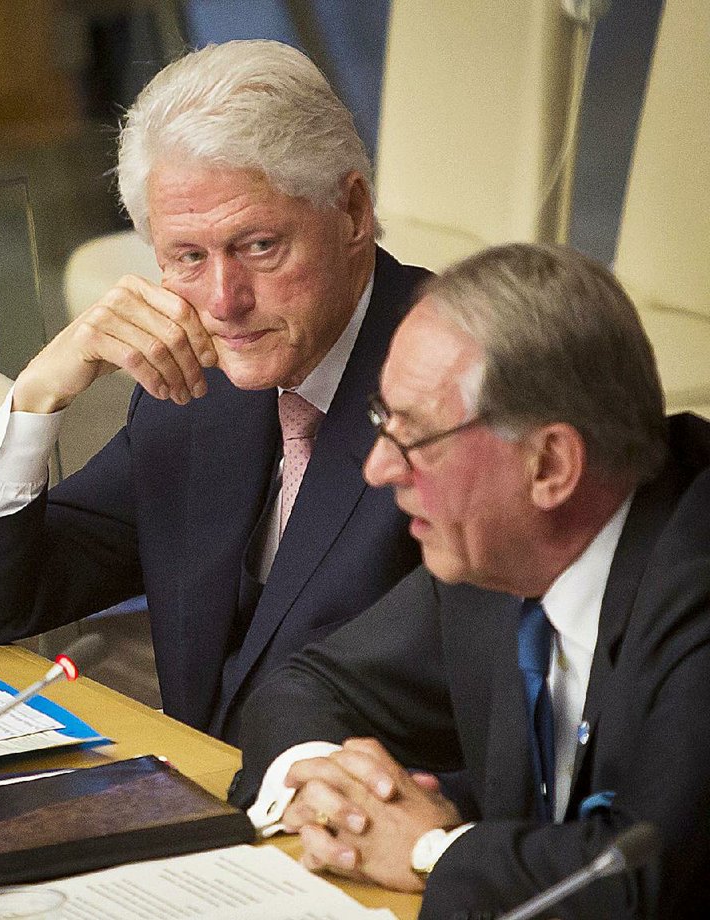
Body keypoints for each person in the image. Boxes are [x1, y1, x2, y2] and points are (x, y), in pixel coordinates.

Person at [0, 40, 425, 744]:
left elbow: (505, 740)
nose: (223, 301)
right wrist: (38, 394)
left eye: (258, 247)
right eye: (187, 257)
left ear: (352, 211)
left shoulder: (463, 390)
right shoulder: (199, 386)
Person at [230, 243, 710, 918]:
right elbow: (308, 684)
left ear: (549, 465)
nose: (378, 469)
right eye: (381, 420)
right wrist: (325, 782)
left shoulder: (695, 585)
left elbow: (647, 884)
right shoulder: (496, 555)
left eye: (416, 436)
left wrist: (434, 849)